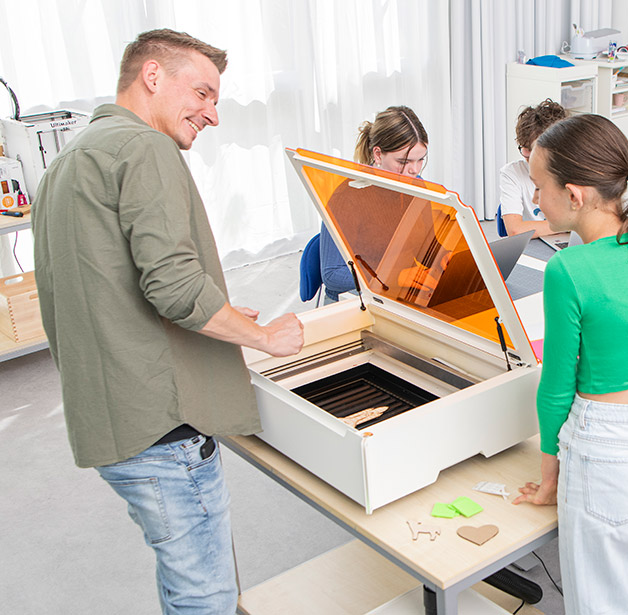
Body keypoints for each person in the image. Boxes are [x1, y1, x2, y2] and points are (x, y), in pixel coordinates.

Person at [31, 29, 304, 614]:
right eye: (202, 93)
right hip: (163, 429)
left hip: (111, 422)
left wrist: (224, 313)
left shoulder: (70, 161)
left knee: (183, 576)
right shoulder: (145, 149)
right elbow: (173, 286)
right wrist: (262, 335)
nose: (212, 114)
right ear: (153, 77)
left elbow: (98, 286)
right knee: (204, 593)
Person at [513, 114, 628, 615]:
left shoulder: (568, 268)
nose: (534, 200)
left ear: (574, 195)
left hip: (608, 455)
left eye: (538, 186)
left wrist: (549, 479)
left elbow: (555, 388)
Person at [318, 105, 428, 303]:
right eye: (404, 161)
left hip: (397, 293)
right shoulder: (346, 197)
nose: (414, 170)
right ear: (378, 154)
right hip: (354, 299)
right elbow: (332, 276)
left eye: (420, 160)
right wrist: (394, 278)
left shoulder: (416, 187)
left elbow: (429, 242)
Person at [497, 98, 566, 238]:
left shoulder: (576, 169)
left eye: (535, 150)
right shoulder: (512, 173)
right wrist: (568, 225)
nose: (529, 157)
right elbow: (515, 230)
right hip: (534, 245)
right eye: (525, 149)